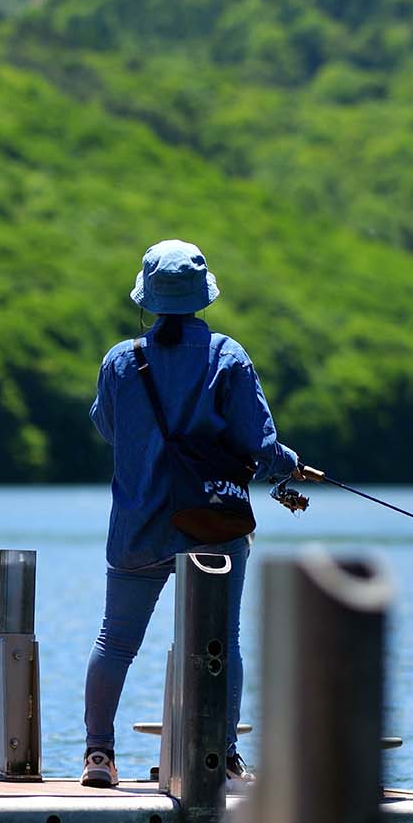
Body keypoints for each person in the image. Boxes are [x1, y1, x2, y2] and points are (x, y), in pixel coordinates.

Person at [80, 239, 306, 789]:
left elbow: (107, 428)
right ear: (202, 299)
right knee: (218, 643)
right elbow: (257, 441)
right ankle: (222, 758)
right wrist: (289, 465)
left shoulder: (120, 361)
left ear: (148, 299)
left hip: (137, 524)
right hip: (211, 525)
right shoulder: (228, 356)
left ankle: (99, 757)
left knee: (115, 640)